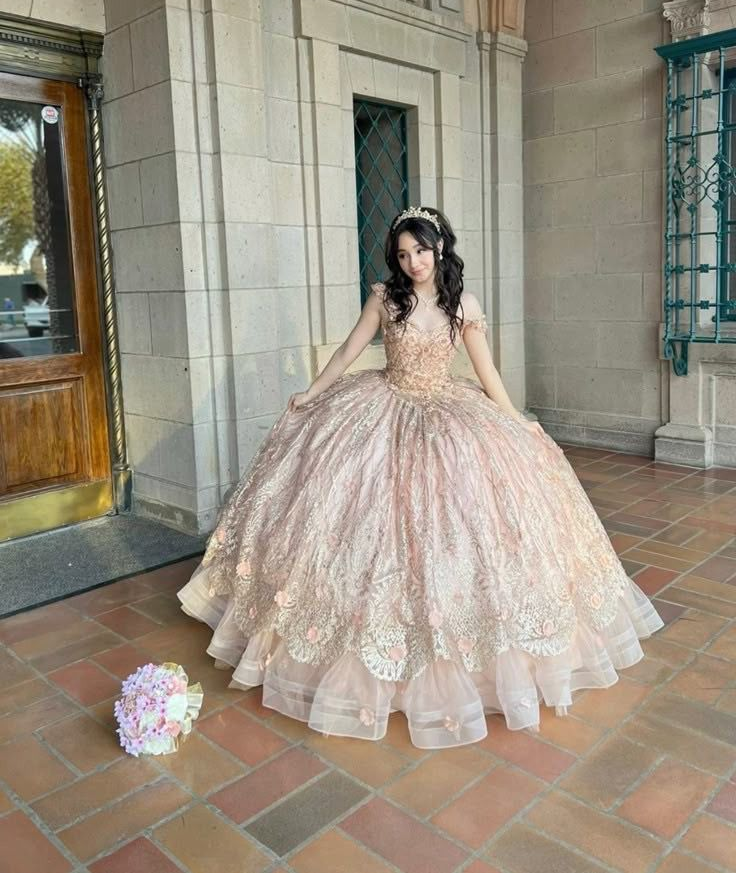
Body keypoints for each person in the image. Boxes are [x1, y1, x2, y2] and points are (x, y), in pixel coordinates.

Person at [178, 206, 662, 748]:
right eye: (404, 254)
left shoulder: (463, 304)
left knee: (467, 518)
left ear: (440, 248)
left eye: (422, 251)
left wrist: (516, 420)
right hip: (381, 406)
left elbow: (486, 371)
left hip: (447, 412)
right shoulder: (385, 298)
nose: (414, 263)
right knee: (357, 516)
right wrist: (312, 393)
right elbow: (349, 351)